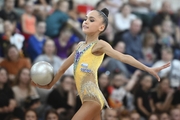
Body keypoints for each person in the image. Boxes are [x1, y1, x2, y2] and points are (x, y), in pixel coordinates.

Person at [32, 8, 170, 120]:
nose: (86, 21)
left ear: (101, 27)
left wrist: (148, 68)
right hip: (86, 99)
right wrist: (50, 84)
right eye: (85, 18)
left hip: (93, 99)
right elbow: (62, 68)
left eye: (91, 20)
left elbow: (123, 57)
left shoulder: (99, 45)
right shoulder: (80, 46)